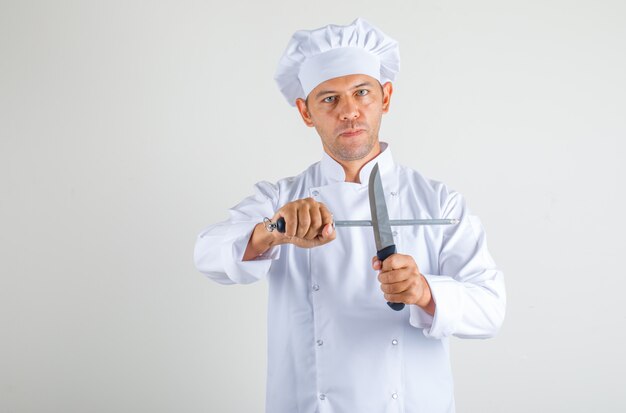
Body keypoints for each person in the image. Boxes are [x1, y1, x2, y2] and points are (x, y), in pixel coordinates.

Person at [194, 17, 506, 413]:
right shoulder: (280, 198)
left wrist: (425, 292)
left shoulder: (439, 203)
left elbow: (491, 309)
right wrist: (273, 231)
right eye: (329, 99)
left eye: (362, 93)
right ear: (305, 112)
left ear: (386, 97)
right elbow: (207, 254)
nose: (349, 112)